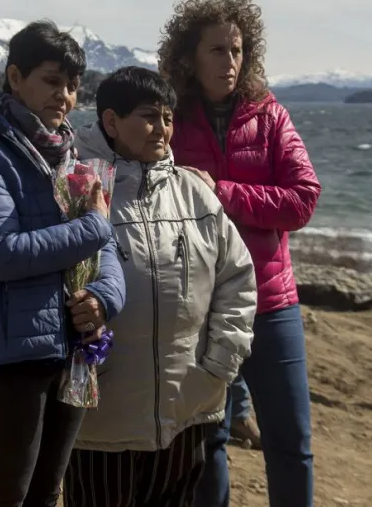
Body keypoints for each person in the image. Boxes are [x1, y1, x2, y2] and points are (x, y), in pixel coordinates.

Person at [0, 20, 126, 507]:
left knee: (47, 491)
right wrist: (95, 227)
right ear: (15, 78)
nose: (64, 96)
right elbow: (2, 253)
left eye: (73, 85)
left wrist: (103, 298)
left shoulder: (68, 154)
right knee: (7, 493)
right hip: (8, 354)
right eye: (51, 81)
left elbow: (106, 252)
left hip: (72, 344)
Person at [66, 67, 257, 507]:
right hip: (102, 415)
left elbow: (237, 280)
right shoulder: (78, 189)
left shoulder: (195, 193)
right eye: (149, 116)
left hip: (186, 407)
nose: (163, 129)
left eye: (169, 117)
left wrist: (219, 366)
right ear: (111, 122)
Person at [161, 0, 322, 507]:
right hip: (198, 304)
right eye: (217, 50)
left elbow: (302, 199)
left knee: (291, 441)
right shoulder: (169, 118)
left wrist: (221, 193)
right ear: (189, 56)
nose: (230, 61)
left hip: (271, 303)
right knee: (207, 441)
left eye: (237, 50)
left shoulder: (270, 115)